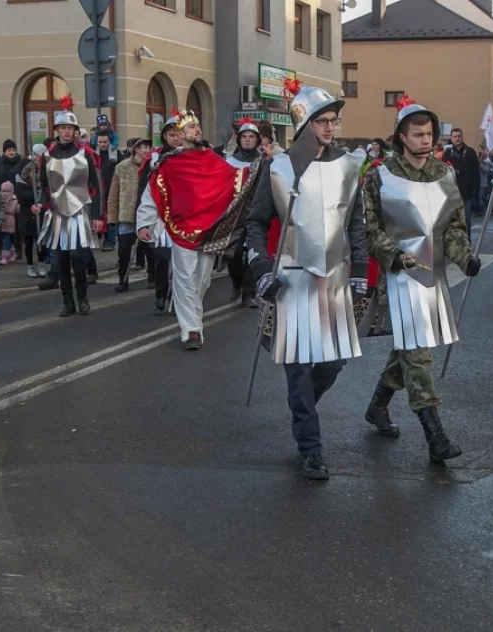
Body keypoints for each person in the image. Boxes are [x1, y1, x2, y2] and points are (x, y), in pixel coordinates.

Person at [246, 82, 368, 480]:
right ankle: (310, 447)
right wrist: (262, 271)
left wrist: (363, 273)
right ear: (304, 124)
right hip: (293, 278)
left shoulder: (350, 164)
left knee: (334, 362)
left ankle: (303, 409)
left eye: (334, 120)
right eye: (322, 121)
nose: (331, 128)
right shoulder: (277, 166)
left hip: (335, 277)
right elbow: (256, 223)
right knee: (297, 367)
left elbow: (356, 225)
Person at [360, 95, 479, 461]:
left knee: (410, 348)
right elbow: (368, 227)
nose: (426, 140)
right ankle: (435, 436)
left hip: (433, 275)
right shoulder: (379, 175)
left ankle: (378, 406)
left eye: (429, 134)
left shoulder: (445, 174)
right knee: (418, 354)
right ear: (401, 137)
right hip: (400, 277)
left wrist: (465, 258)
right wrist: (392, 255)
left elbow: (454, 226)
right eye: (417, 134)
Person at [137, 109, 252, 348]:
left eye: (198, 126)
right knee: (184, 279)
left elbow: (235, 178)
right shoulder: (169, 163)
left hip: (209, 229)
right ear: (180, 134)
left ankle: (193, 318)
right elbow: (153, 192)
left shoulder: (212, 159)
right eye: (191, 127)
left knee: (202, 280)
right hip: (181, 230)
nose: (197, 130)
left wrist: (263, 165)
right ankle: (191, 330)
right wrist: (145, 223)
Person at [31, 97, 104, 317]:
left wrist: (98, 215)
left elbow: (96, 186)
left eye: (69, 128)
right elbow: (44, 186)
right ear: (57, 131)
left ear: (74, 131)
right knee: (61, 258)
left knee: (77, 256)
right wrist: (40, 204)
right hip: (56, 212)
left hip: (79, 211)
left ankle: (82, 298)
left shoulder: (85, 155)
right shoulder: (47, 156)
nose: (65, 132)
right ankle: (67, 301)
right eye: (62, 128)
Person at [135, 114, 184, 306]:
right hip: (160, 216)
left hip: (184, 217)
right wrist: (142, 222)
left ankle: (178, 296)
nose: (175, 138)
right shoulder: (154, 158)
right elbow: (144, 189)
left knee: (182, 261)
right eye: (171, 134)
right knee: (161, 257)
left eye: (178, 134)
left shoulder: (190, 155)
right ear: (165, 136)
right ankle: (160, 294)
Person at [224, 117, 264, 308]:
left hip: (256, 213)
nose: (247, 140)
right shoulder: (230, 162)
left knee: (253, 254)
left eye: (251, 136)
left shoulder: (264, 161)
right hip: (235, 215)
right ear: (239, 140)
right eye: (244, 136)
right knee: (234, 254)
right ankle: (236, 283)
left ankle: (249, 293)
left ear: (257, 140)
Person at [108, 138, 152, 292]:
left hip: (147, 215)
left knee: (150, 249)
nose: (147, 150)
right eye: (143, 147)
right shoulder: (122, 168)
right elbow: (113, 195)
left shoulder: (153, 167)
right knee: (124, 250)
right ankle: (123, 279)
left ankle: (152, 276)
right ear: (135, 150)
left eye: (148, 147)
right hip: (126, 215)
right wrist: (112, 218)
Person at [443, 128, 480, 239]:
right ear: (451, 138)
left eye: (459, 136)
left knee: (466, 219)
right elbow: (443, 173)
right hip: (451, 192)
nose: (457, 138)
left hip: (466, 192)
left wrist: (474, 190)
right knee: (452, 220)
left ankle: (467, 242)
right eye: (455, 136)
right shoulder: (447, 153)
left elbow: (476, 173)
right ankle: (454, 242)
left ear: (462, 137)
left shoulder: (470, 152)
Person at [15, 160, 47, 279]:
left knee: (40, 242)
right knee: (28, 242)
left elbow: (44, 196)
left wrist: (40, 204)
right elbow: (24, 197)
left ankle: (41, 263)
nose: (35, 174)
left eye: (36, 171)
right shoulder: (21, 184)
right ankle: (29, 265)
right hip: (26, 215)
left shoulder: (40, 184)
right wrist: (33, 202)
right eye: (32, 171)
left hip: (39, 215)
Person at [96, 130, 119, 251]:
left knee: (111, 217)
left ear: (109, 142)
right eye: (100, 142)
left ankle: (110, 241)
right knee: (102, 215)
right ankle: (105, 238)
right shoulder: (93, 154)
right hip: (99, 190)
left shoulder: (116, 154)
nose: (103, 144)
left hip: (112, 189)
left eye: (105, 142)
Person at [0, 181, 19, 265]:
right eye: (3, 191)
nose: (5, 193)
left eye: (7, 191)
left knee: (6, 237)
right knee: (4, 238)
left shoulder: (14, 199)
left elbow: (17, 209)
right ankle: (12, 253)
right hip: (1, 219)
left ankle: (5, 256)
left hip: (10, 219)